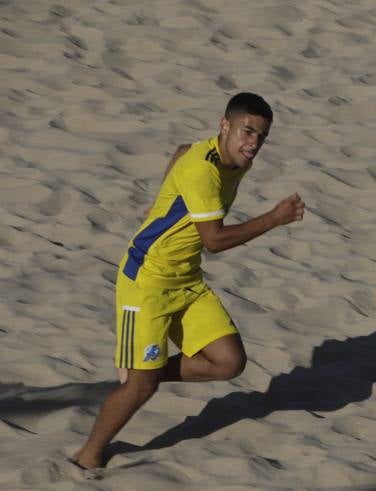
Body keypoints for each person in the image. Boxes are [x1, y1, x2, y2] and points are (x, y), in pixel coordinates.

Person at [72, 92, 305, 470]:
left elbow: (182, 149)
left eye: (261, 136)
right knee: (141, 388)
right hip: (145, 281)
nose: (254, 144)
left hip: (186, 278)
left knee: (229, 362)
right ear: (225, 125)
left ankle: (140, 372)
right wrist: (274, 219)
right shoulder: (204, 170)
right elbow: (214, 241)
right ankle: (88, 456)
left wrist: (160, 198)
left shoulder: (228, 156)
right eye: (247, 132)